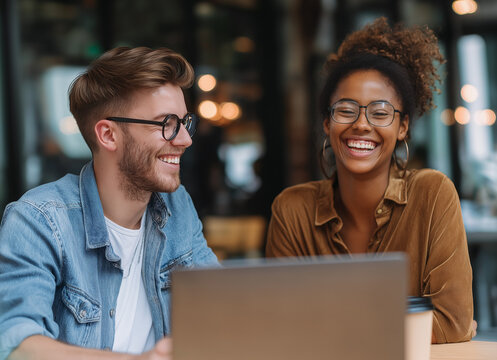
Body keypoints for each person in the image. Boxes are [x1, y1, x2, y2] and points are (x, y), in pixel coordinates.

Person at [0, 46, 218, 360]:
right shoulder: (40, 221)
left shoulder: (175, 205)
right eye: (167, 123)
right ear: (108, 135)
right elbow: (17, 346)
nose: (185, 139)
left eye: (184, 122)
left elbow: (221, 306)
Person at [266, 17, 475, 344]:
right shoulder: (292, 210)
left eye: (380, 113)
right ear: (327, 123)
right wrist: (406, 322)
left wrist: (325, 321)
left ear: (403, 126)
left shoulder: (432, 194)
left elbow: (453, 323)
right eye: (346, 110)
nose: (362, 125)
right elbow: (280, 321)